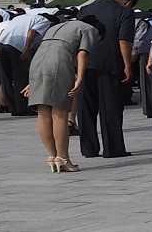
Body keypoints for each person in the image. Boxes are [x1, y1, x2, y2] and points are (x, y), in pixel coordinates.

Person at [24, 14, 102, 173]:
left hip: (38, 61)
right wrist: (80, 78)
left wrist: (33, 81)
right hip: (59, 61)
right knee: (59, 112)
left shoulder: (57, 27)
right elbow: (82, 53)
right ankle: (63, 158)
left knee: (43, 112)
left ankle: (52, 157)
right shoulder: (90, 29)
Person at [74, 0, 136, 158]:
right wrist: (127, 65)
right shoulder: (125, 12)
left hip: (85, 62)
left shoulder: (85, 9)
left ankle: (88, 148)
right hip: (110, 64)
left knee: (85, 107)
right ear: (128, 3)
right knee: (110, 108)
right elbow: (124, 40)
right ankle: (113, 148)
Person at [0, 8, 50, 116]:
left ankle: (12, 107)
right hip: (17, 46)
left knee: (5, 78)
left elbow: (4, 31)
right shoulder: (44, 21)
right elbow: (32, 32)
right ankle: (22, 107)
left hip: (1, 44)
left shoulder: (18, 18)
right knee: (20, 77)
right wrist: (27, 48)